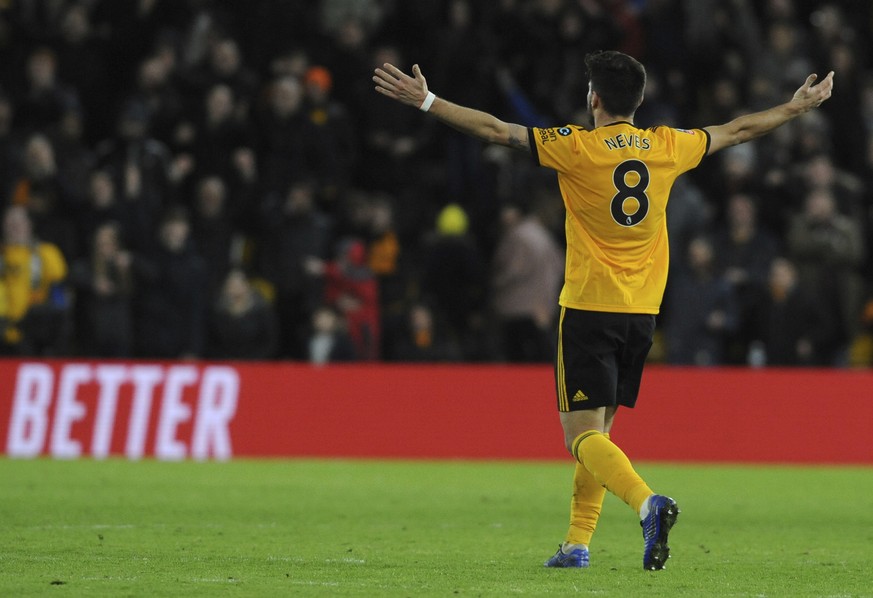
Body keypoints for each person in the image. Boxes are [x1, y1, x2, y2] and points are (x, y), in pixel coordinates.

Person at [373, 51, 834, 570]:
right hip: (642, 313)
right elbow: (737, 130)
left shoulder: (575, 148)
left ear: (594, 98)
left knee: (581, 436)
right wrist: (794, 108)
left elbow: (497, 130)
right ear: (638, 101)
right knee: (598, 434)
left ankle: (647, 504)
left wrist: (428, 101)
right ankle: (577, 544)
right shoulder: (668, 145)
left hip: (590, 306)